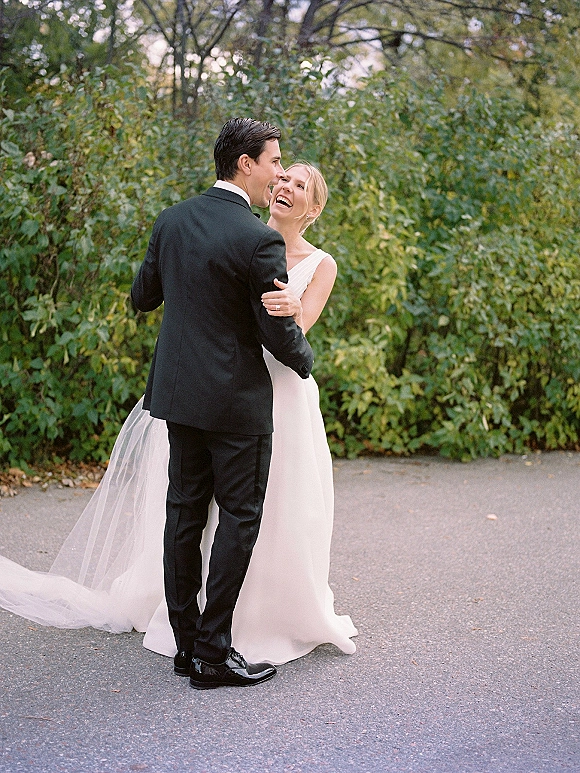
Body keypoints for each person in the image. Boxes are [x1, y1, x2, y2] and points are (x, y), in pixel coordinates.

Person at [0, 158, 357, 682]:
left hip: (276, 394)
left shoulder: (317, 263)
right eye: (280, 176)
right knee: (219, 512)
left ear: (314, 205)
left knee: (271, 510)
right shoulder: (242, 235)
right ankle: (207, 641)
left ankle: (257, 619)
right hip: (225, 390)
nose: (284, 185)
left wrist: (290, 311)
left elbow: (297, 331)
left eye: (298, 184)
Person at [130, 118, 314, 689]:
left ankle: (187, 648)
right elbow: (273, 331)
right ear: (244, 164)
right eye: (273, 161)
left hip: (180, 396)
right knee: (238, 518)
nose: (278, 172)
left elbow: (143, 297)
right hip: (236, 406)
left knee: (183, 516)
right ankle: (213, 651)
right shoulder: (256, 238)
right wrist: (304, 361)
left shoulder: (173, 220)